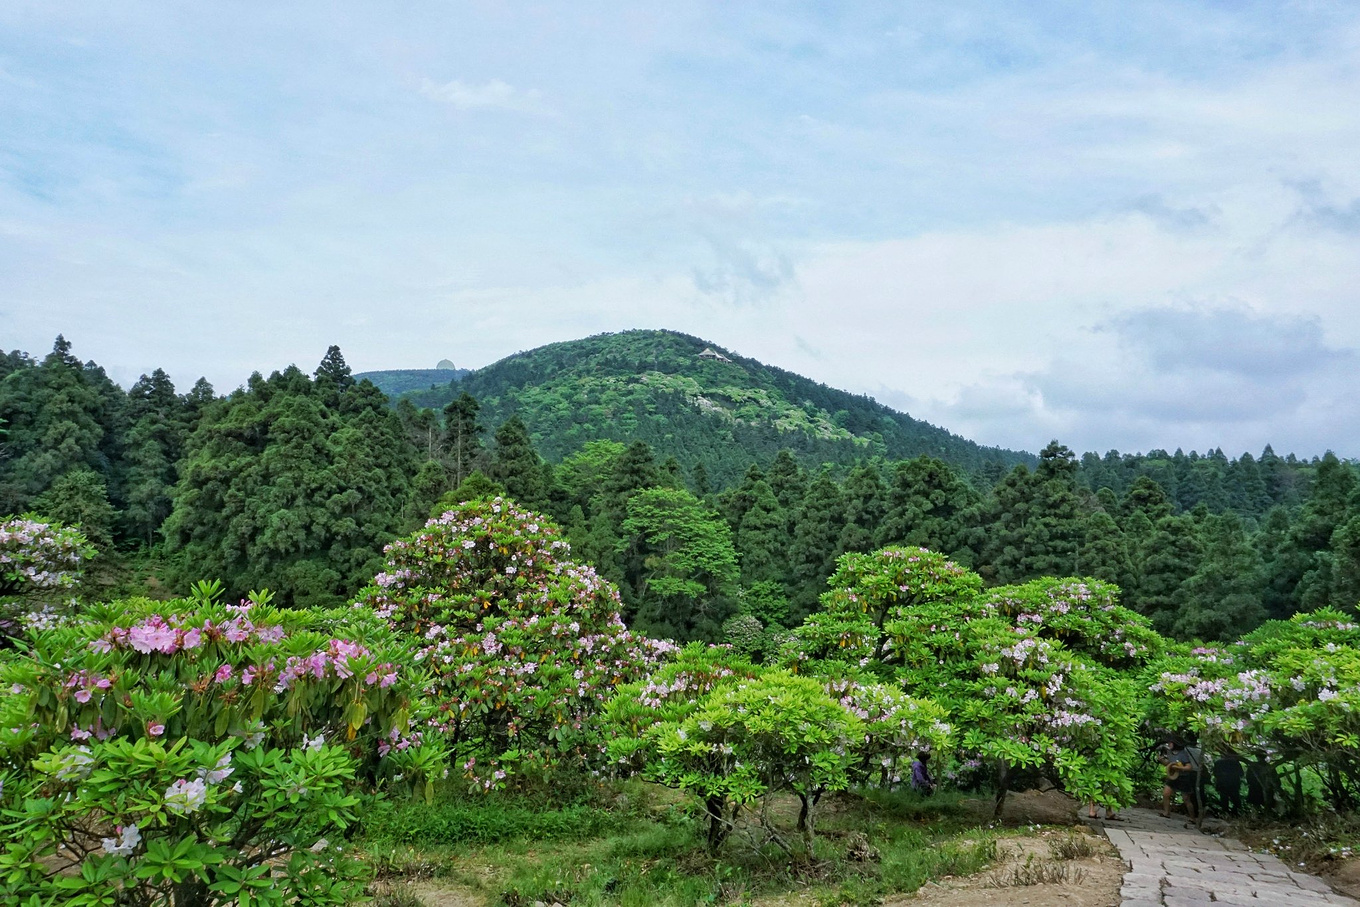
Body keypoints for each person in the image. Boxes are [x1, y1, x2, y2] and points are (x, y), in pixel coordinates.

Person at [1160, 738, 1204, 820]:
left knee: (1186, 799)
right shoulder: (1169, 753)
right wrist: (1161, 760)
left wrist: (1179, 768)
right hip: (1173, 777)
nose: (1169, 744)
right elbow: (1168, 764)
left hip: (1183, 778)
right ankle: (1166, 813)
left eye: (1170, 743)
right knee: (1166, 794)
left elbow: (1189, 767)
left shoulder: (1183, 754)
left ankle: (1192, 818)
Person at [1213, 749, 1245, 816]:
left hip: (1222, 784)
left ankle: (1225, 814)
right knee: (1236, 800)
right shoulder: (1235, 762)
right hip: (1234, 784)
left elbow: (1215, 774)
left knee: (1224, 800)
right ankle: (1236, 814)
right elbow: (1241, 774)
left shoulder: (1218, 763)